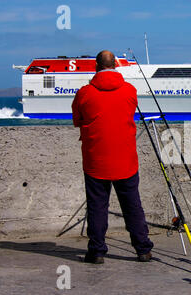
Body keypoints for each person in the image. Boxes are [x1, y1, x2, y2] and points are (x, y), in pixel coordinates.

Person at [72, 50, 153, 264]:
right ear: (115, 65)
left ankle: (97, 251)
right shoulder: (130, 90)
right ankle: (143, 249)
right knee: (132, 205)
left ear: (96, 66)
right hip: (125, 158)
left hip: (96, 159)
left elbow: (77, 120)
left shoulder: (84, 93)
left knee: (97, 206)